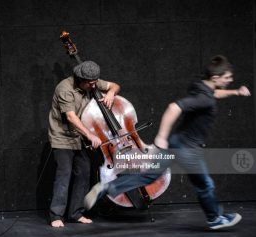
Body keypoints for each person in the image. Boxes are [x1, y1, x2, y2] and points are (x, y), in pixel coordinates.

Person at [84, 55, 251, 230]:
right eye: (227, 78)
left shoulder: (201, 87)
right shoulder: (205, 98)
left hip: (176, 142)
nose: (230, 80)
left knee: (149, 175)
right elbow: (174, 107)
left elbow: (215, 93)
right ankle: (215, 218)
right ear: (216, 78)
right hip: (187, 149)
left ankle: (108, 187)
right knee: (205, 184)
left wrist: (235, 92)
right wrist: (161, 137)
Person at [48, 60, 120, 228]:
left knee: (84, 173)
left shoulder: (92, 82)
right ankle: (56, 216)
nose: (94, 86)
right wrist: (90, 135)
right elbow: (71, 117)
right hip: (63, 137)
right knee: (64, 175)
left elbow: (115, 85)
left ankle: (75, 213)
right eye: (91, 83)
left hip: (80, 138)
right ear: (81, 79)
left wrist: (110, 93)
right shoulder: (64, 89)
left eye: (96, 82)